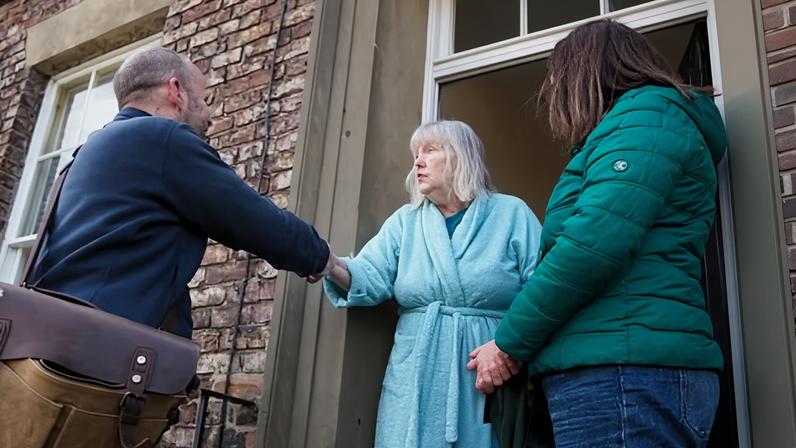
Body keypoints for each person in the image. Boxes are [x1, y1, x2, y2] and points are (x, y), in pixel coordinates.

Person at [468, 19, 726, 448]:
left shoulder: (645, 119)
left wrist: (509, 344)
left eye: (559, 80)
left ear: (587, 72)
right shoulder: (635, 128)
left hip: (625, 376)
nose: (556, 95)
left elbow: (588, 249)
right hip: (624, 375)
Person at [28, 47, 332, 337]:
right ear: (176, 91)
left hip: (46, 343)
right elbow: (252, 218)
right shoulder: (162, 138)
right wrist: (323, 258)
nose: (210, 112)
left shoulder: (84, 155)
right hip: (96, 357)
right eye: (205, 98)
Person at [316, 120, 542, 447]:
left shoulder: (511, 214)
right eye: (415, 154)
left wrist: (512, 347)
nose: (418, 162)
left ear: (459, 157)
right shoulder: (405, 222)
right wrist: (329, 264)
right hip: (415, 374)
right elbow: (370, 273)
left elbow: (542, 288)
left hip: (486, 370)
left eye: (429, 151)